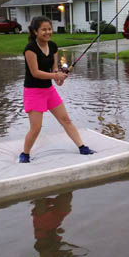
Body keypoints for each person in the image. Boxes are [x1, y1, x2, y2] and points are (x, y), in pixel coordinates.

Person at [19, 16, 94, 163]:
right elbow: (35, 72)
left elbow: (53, 68)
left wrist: (59, 79)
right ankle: (25, 154)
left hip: (48, 90)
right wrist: (55, 75)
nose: (48, 32)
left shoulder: (53, 46)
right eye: (43, 29)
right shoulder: (30, 49)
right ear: (35, 32)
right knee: (36, 127)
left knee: (65, 119)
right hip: (33, 91)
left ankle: (82, 147)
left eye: (49, 29)